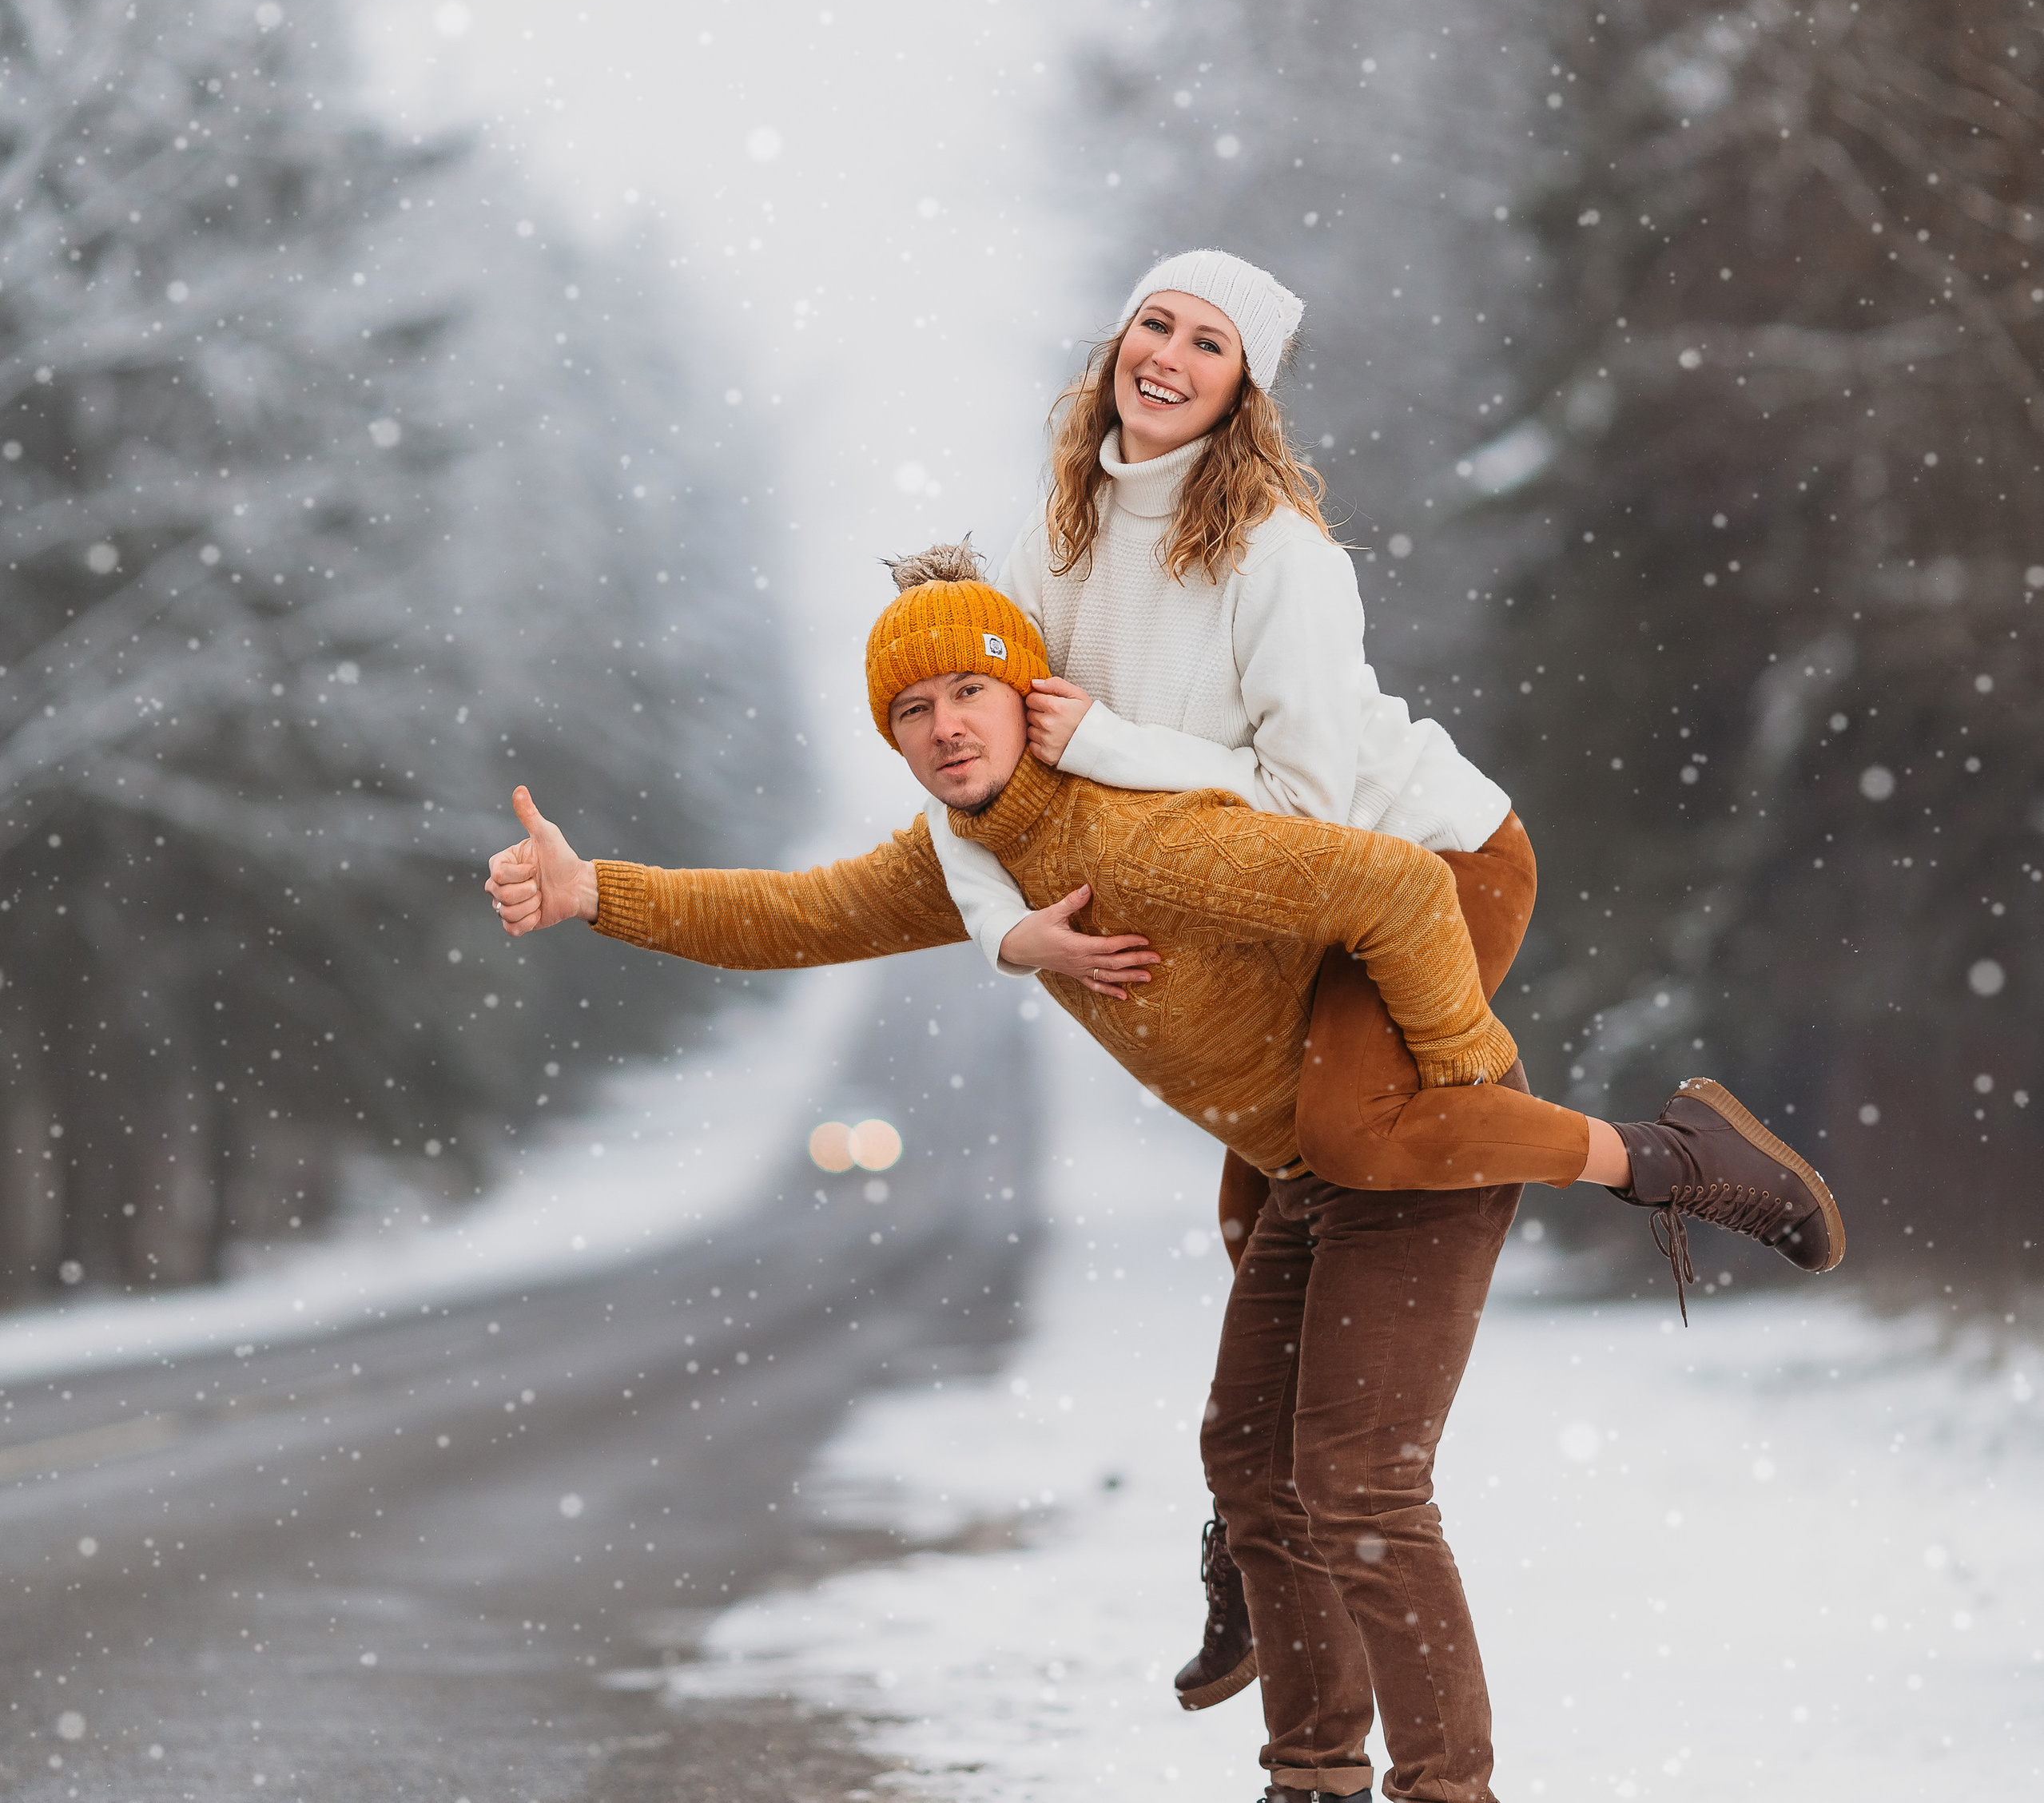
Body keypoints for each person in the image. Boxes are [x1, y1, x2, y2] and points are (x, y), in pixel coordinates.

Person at [484, 550, 1844, 1803]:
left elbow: (1405, 892)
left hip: (1413, 1140)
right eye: (913, 707)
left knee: (1360, 1481)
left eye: (972, 688)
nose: (947, 722)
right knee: (1252, 1462)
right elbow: (789, 915)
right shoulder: (964, 860)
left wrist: (1460, 1079)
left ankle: (1450, 1780)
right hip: (1306, 1160)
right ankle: (1310, 1778)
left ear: (1030, 696)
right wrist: (595, 889)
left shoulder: (1138, 830)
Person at [921, 248, 1631, 1712]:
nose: (1168, 356)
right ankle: (1262, 1529)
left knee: (1358, 1146)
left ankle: (1663, 1161)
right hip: (1283, 912)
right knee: (1269, 1219)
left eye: (1209, 342)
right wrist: (1012, 924)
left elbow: (1311, 798)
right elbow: (974, 772)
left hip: (1424, 859)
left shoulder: (1277, 554)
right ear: (1117, 339)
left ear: (1247, 386)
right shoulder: (1045, 542)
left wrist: (1109, 742)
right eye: (1153, 324)